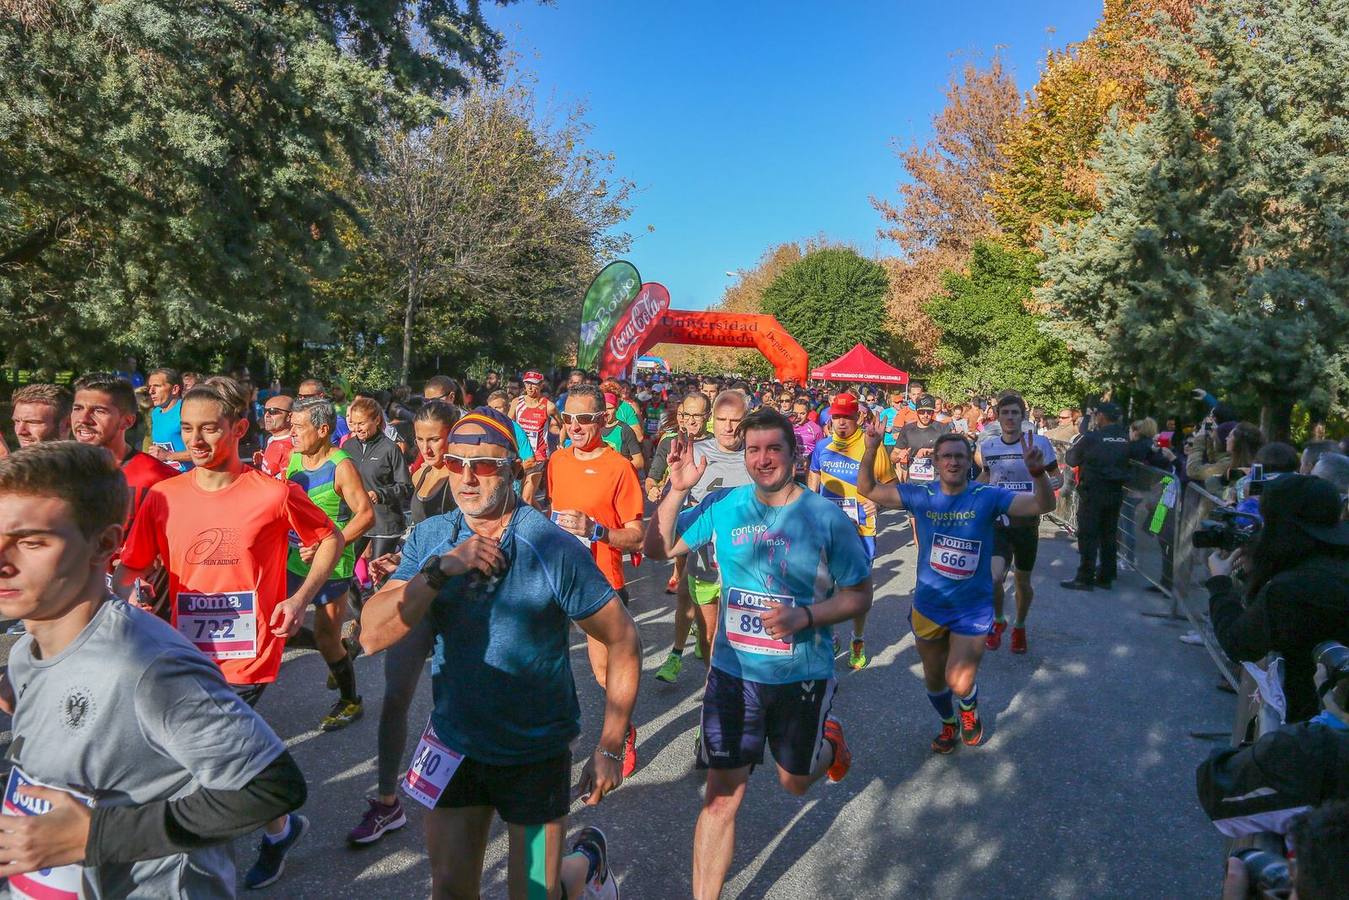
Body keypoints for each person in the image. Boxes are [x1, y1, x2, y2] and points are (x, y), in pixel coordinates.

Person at [0, 441, 307, 898]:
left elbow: (272, 786)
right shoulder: (24, 654)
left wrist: (97, 837)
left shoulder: (144, 663)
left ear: (104, 544)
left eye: (32, 542)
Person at [358, 408, 637, 900]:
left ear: (511, 467)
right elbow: (372, 635)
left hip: (533, 751)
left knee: (532, 894)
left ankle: (586, 864)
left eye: (483, 464)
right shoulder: (432, 538)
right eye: (454, 461)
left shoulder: (550, 545)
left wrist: (610, 745)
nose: (466, 476)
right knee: (448, 890)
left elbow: (622, 639)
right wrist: (442, 569)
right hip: (453, 742)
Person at [111, 376, 343, 889]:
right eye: (188, 429)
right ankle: (279, 826)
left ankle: (193, 869)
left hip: (248, 651)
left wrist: (299, 598)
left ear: (238, 428)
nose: (196, 441)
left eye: (210, 430)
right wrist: (131, 593)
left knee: (200, 761)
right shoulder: (163, 498)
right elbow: (131, 568)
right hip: (179, 649)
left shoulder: (273, 493)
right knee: (216, 754)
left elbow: (330, 537)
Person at [644, 407, 870, 898]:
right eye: (753, 449)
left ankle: (830, 744)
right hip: (732, 672)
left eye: (773, 448)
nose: (763, 459)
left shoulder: (825, 516)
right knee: (721, 799)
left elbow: (859, 594)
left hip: (800, 674)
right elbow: (660, 548)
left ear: (794, 454)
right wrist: (677, 488)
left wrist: (805, 617)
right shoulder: (725, 506)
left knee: (794, 782)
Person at [859, 426, 1054, 753]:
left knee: (959, 681)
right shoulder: (920, 495)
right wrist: (872, 447)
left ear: (969, 463)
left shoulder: (987, 496)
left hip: (971, 608)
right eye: (946, 456)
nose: (953, 462)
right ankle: (948, 724)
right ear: (935, 461)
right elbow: (867, 488)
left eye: (960, 456)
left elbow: (1041, 505)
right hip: (929, 605)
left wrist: (1038, 474)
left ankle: (969, 709)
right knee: (935, 681)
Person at [346, 400, 460, 846]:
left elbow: (467, 539)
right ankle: (388, 801)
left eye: (438, 438)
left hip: (454, 602)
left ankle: (460, 801)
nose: (428, 447)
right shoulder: (424, 471)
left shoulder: (463, 479)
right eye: (423, 439)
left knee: (450, 701)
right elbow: (422, 535)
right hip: (417, 597)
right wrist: (399, 559)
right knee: (394, 697)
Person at [1206, 474, 1349, 722]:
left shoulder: (1291, 589)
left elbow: (1238, 642)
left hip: (1310, 721)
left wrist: (1220, 582)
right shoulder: (1331, 565)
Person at [285, 396, 374, 731]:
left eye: (298, 426)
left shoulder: (341, 466)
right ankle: (340, 647)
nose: (291, 432)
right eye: (291, 425)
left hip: (333, 566)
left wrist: (328, 545)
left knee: (324, 637)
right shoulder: (295, 458)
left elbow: (365, 515)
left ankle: (351, 702)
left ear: (323, 430)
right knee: (283, 630)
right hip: (295, 561)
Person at [654, 390, 752, 683]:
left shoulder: (755, 454)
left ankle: (725, 709)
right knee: (710, 638)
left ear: (746, 420)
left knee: (735, 641)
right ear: (713, 420)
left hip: (746, 568)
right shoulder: (696, 453)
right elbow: (676, 510)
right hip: (704, 563)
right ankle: (713, 708)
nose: (728, 427)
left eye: (735, 420)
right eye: (721, 419)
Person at [808, 392, 898, 670]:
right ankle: (829, 635)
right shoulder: (822, 447)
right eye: (837, 417)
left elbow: (893, 489)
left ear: (859, 417)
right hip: (826, 531)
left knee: (857, 591)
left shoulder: (872, 448)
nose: (842, 422)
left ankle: (857, 639)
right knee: (823, 588)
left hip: (861, 531)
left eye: (847, 416)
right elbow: (813, 483)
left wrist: (878, 504)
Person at [976, 391, 1061, 654]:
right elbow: (987, 475)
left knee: (1023, 582)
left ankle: (1020, 626)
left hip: (1027, 522)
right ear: (997, 417)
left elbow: (1058, 478)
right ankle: (999, 621)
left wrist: (1041, 488)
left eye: (1015, 413)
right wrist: (966, 494)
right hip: (999, 521)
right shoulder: (989, 446)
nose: (1010, 417)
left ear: (1022, 417)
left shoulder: (1039, 444)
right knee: (993, 579)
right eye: (1006, 413)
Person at [70, 372, 178, 553]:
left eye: (99, 411)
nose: (83, 419)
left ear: (127, 421)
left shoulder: (159, 479)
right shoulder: (58, 474)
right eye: (77, 408)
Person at [1061, 401, 1135, 591]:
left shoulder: (1093, 437)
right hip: (1115, 491)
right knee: (1109, 534)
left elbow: (1071, 458)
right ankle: (1106, 576)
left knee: (1088, 534)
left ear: (1101, 416)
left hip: (1093, 491)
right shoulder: (1125, 438)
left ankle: (1084, 577)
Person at [646, 392, 712, 597]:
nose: (691, 420)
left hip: (707, 515)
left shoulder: (718, 445)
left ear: (708, 416)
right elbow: (651, 478)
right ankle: (678, 577)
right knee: (686, 587)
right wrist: (652, 490)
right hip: (679, 511)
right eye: (687, 415)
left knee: (704, 579)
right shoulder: (669, 443)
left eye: (697, 416)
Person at [343, 395, 412, 565]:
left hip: (385, 522)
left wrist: (379, 494)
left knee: (378, 576)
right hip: (357, 519)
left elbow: (406, 487)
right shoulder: (348, 447)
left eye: (362, 423)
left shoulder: (390, 448)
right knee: (342, 571)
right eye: (353, 423)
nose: (357, 428)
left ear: (377, 420)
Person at [146, 367, 193, 472]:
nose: (151, 391)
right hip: (163, 478)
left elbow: (201, 451)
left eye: (157, 386)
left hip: (186, 478)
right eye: (150, 387)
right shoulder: (155, 413)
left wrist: (168, 455)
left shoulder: (187, 410)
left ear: (175, 389)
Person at [10, 383, 72, 448]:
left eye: (33, 422)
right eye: (17, 421)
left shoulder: (80, 457)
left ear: (66, 424)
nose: (19, 431)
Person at [252, 391, 294, 476]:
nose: (266, 415)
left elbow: (285, 484)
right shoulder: (270, 438)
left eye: (273, 411)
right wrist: (264, 459)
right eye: (265, 411)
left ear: (289, 416)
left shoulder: (293, 446)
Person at [296, 378, 350, 443]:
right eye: (300, 396)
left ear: (320, 396)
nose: (302, 401)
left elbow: (349, 445)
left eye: (306, 397)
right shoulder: (296, 420)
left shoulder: (337, 421)